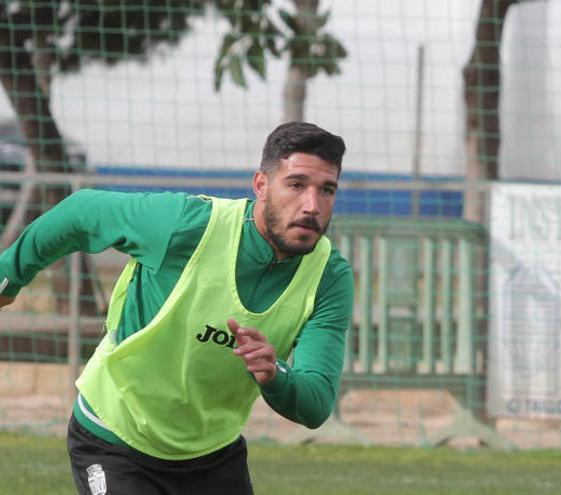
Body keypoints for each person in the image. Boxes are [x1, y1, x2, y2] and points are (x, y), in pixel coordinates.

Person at [0, 121, 354, 494]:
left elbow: (315, 403)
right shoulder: (186, 225)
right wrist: (10, 276)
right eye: (296, 185)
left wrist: (275, 375)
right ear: (261, 186)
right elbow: (82, 211)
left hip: (212, 455)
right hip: (115, 438)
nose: (312, 206)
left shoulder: (329, 276)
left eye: (326, 190)